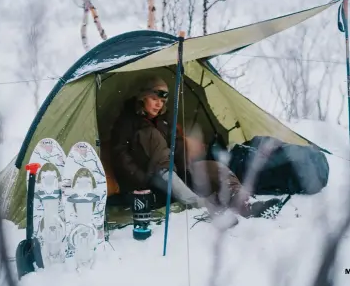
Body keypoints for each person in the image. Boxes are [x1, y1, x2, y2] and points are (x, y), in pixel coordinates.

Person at [109, 75, 282, 219]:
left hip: (179, 172)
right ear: (142, 98)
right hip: (151, 177)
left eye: (161, 101)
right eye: (154, 99)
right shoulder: (127, 122)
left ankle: (247, 205)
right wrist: (142, 179)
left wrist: (189, 149)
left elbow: (175, 146)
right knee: (151, 136)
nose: (158, 104)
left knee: (215, 168)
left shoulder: (163, 121)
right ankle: (205, 208)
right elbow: (119, 155)